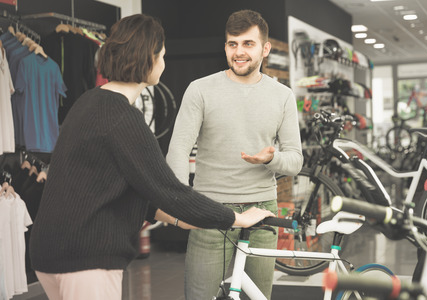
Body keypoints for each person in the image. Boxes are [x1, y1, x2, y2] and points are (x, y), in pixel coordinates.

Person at [29, 14, 275, 300]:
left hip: (48, 253)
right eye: (162, 55)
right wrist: (237, 218)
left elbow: (126, 187)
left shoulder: (90, 101)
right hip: (85, 259)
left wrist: (179, 220)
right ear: (149, 58)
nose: (164, 64)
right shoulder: (123, 118)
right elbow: (169, 191)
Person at [166, 9, 303, 300]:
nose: (239, 52)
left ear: (265, 49)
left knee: (259, 296)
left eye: (248, 44)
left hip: (263, 213)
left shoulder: (283, 96)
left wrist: (272, 159)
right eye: (232, 44)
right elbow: (177, 149)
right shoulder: (200, 90)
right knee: (200, 295)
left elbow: (295, 160)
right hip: (210, 209)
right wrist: (180, 203)